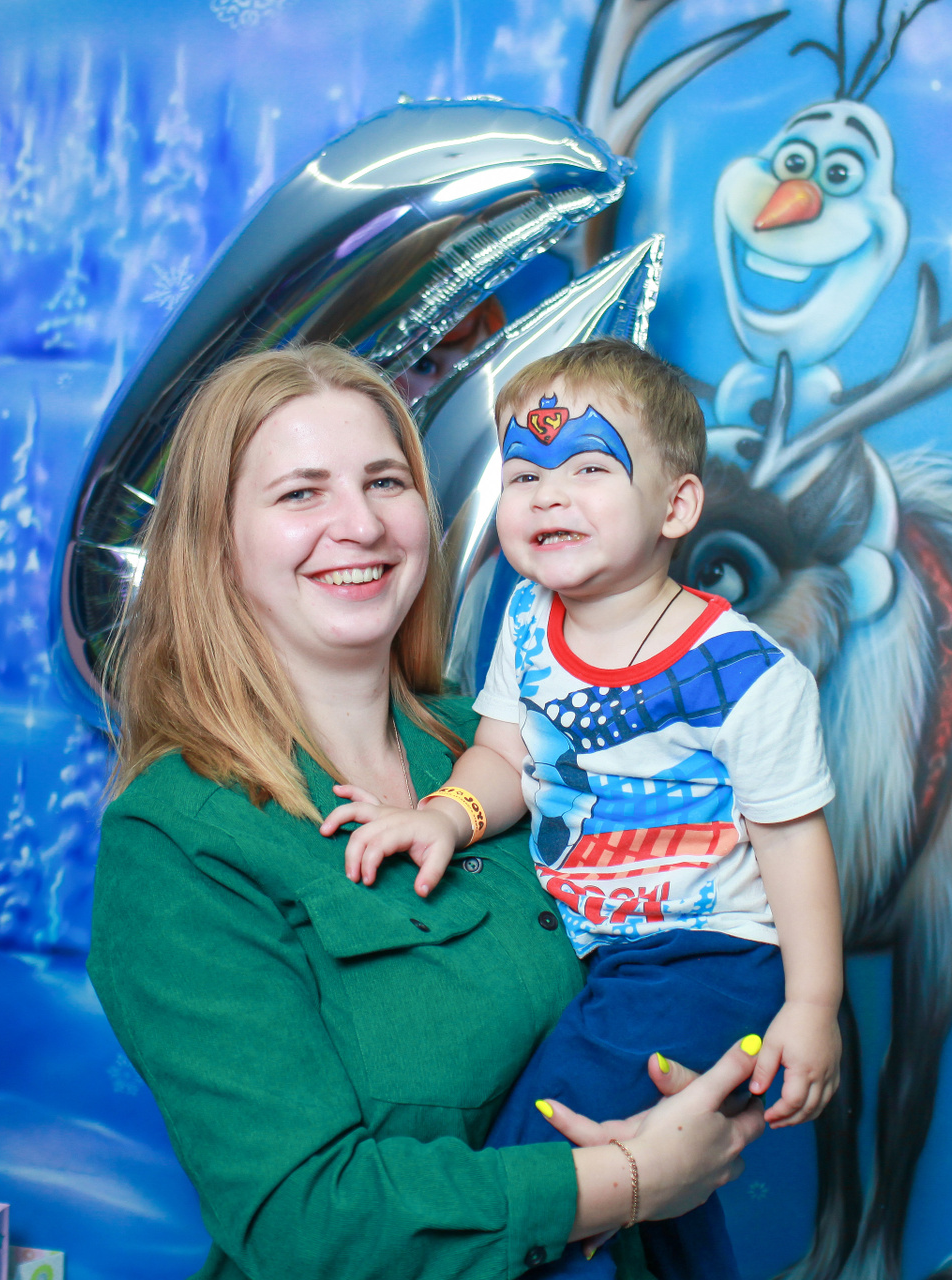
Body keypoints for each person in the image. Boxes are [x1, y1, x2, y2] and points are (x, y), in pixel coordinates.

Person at [86, 343, 772, 1280]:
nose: (360, 524)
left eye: (385, 481)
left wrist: (719, 1074)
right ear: (217, 545)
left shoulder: (511, 745)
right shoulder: (177, 840)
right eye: (301, 494)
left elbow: (701, 934)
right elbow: (305, 1222)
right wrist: (629, 1179)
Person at [331, 338, 844, 1279]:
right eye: (524, 474)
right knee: (654, 1186)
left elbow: (792, 843)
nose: (547, 495)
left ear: (675, 507)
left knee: (549, 1151)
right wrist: (445, 815)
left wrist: (814, 1006)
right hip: (597, 951)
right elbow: (503, 755)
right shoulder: (529, 623)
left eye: (589, 469)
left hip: (705, 959)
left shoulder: (745, 674)